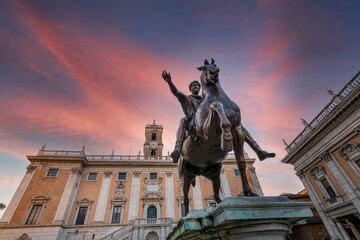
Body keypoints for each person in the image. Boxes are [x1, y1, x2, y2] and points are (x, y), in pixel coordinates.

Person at [161, 70, 275, 163]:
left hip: (209, 119)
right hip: (194, 120)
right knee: (182, 121)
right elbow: (176, 92)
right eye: (193, 86)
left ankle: (258, 150)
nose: (195, 87)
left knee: (236, 123)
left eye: (197, 85)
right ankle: (177, 149)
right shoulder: (187, 99)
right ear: (190, 89)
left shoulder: (206, 99)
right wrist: (169, 82)